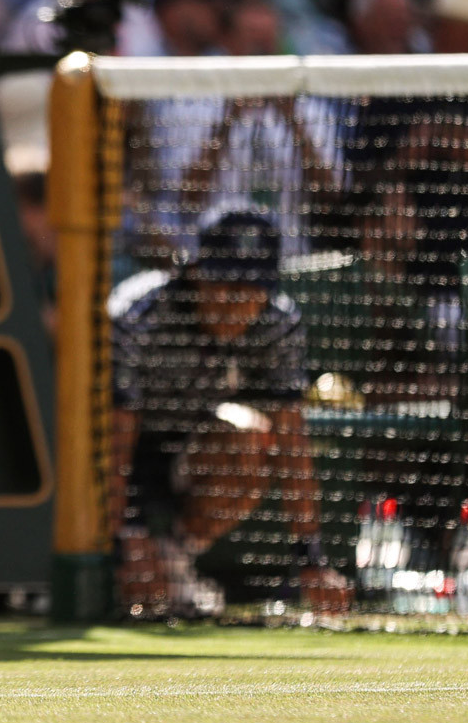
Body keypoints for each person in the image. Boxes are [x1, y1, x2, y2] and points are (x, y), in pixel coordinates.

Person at [108, 211, 350, 617]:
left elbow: (292, 440)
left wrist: (312, 561)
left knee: (250, 434)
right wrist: (121, 540)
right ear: (197, 270)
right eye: (223, 284)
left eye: (250, 289)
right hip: (108, 458)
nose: (234, 303)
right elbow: (111, 443)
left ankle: (172, 560)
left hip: (186, 452)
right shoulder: (137, 317)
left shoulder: (279, 324)